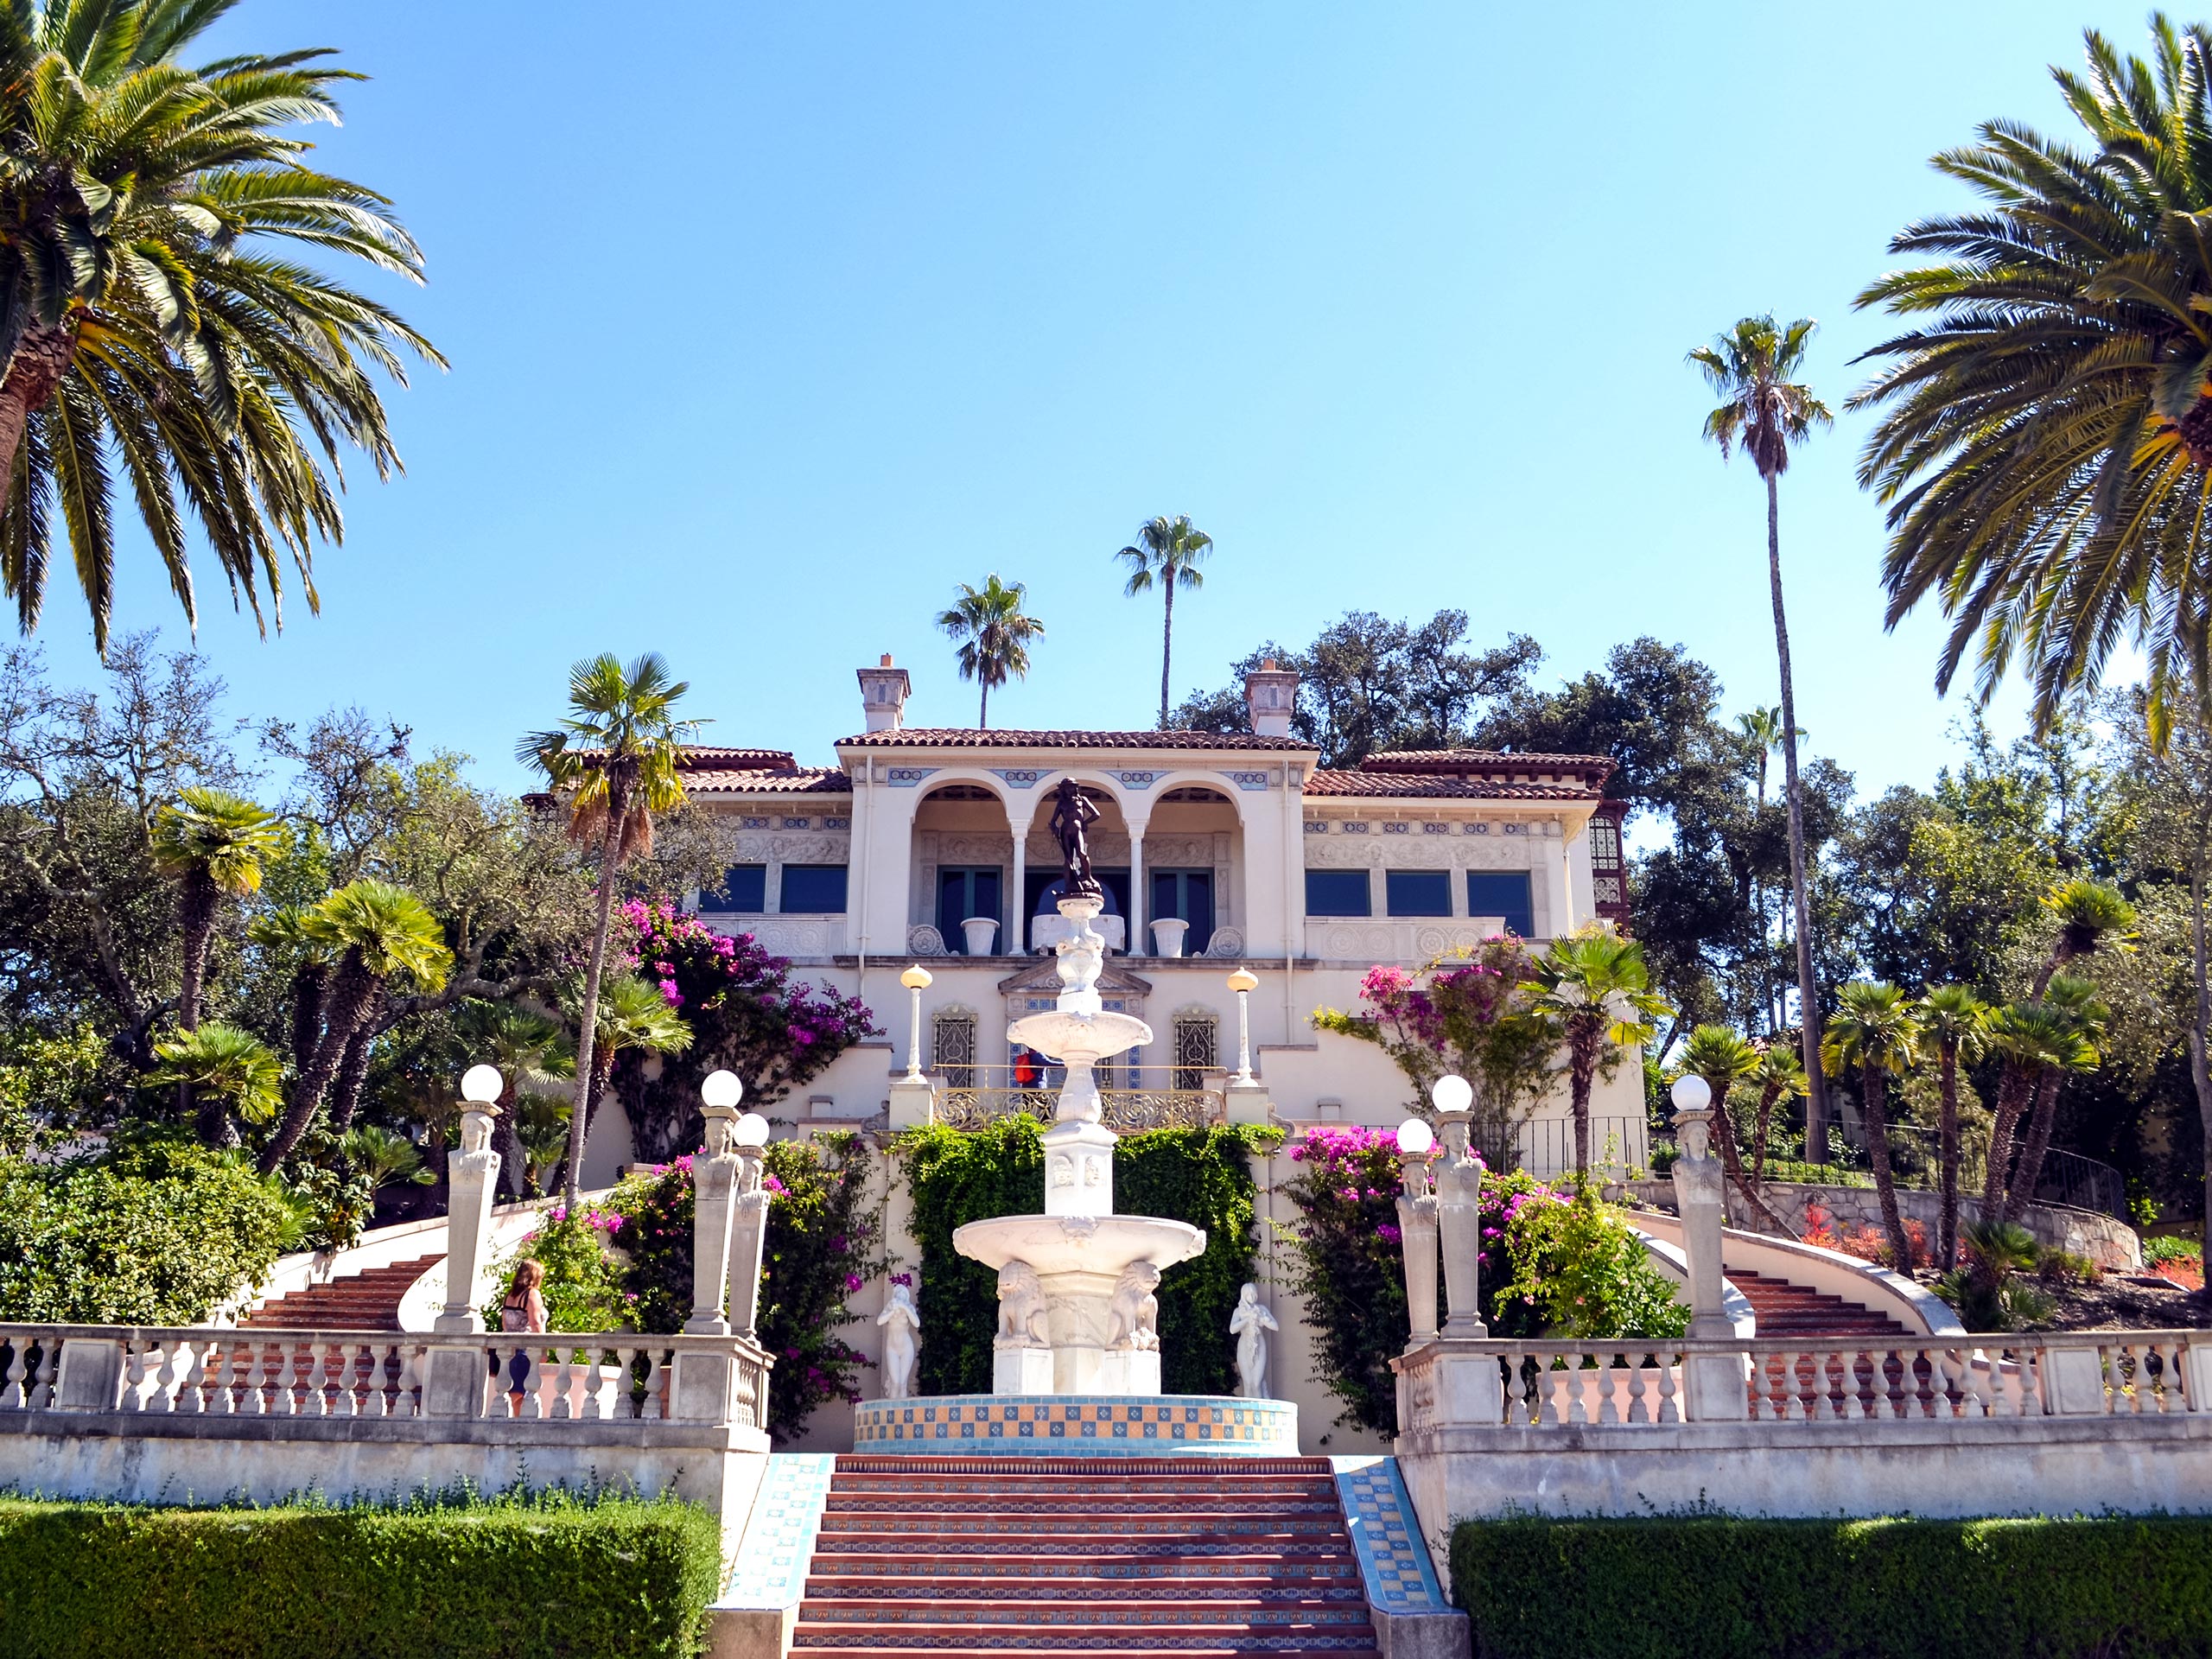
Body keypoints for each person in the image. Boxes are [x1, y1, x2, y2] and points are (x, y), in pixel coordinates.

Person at [500, 1258, 548, 1411]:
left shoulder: (510, 1295)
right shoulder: (532, 1294)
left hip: (509, 1349)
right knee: (518, 1393)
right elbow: (535, 1323)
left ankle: (513, 1425)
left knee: (516, 1396)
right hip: (524, 1351)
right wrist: (543, 1349)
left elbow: (504, 1323)